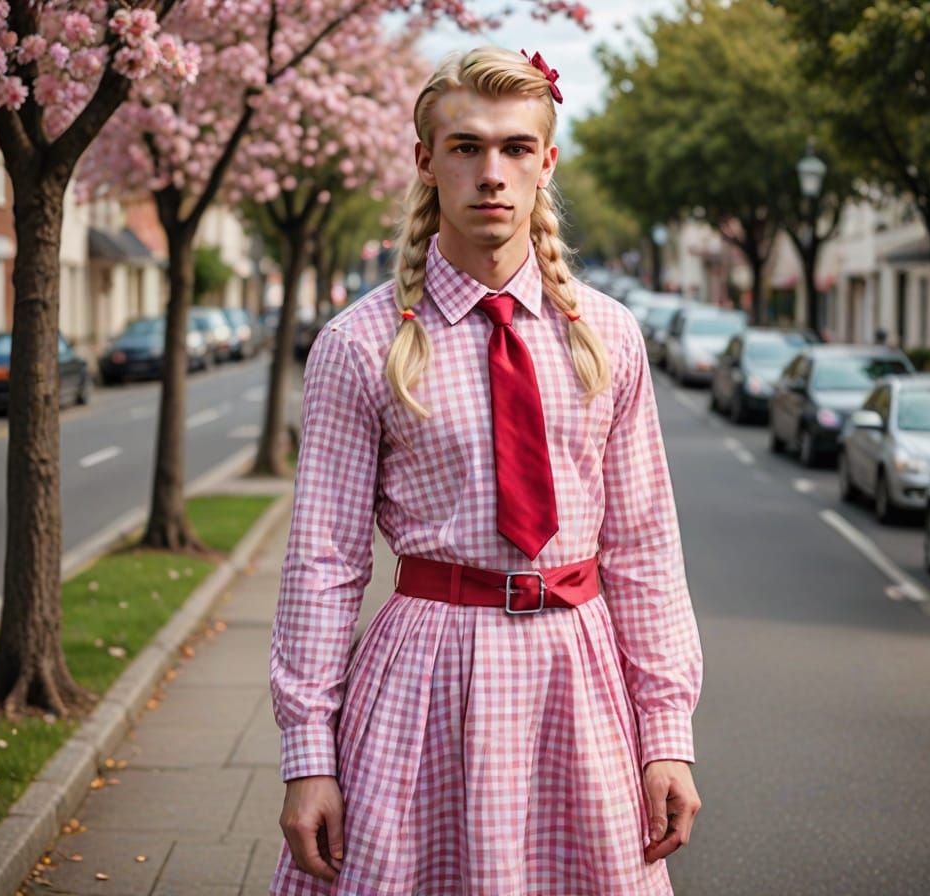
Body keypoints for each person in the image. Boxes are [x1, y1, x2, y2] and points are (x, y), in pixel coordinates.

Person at [270, 46, 703, 896]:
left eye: (514, 148)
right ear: (426, 162)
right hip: (422, 687)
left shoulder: (609, 337)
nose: (491, 172)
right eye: (465, 147)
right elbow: (322, 563)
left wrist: (667, 734)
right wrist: (307, 754)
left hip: (577, 686)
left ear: (547, 161)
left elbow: (645, 548)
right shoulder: (360, 345)